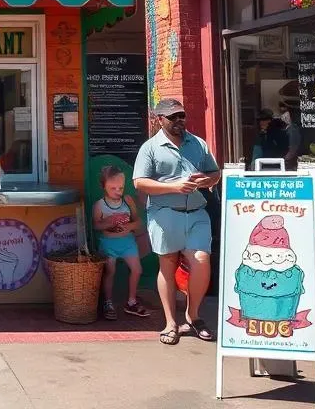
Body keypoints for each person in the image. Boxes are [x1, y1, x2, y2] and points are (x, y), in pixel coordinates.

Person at [133, 96, 220, 346]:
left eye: (182, 115)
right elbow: (140, 182)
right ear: (160, 120)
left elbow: (215, 173)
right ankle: (171, 323)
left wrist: (207, 180)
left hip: (196, 213)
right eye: (173, 117)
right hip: (164, 214)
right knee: (168, 266)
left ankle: (193, 315)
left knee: (202, 260)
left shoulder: (198, 144)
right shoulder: (150, 147)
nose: (179, 121)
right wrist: (174, 187)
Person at [92, 164, 149, 320]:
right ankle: (108, 302)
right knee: (110, 271)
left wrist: (128, 226)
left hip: (127, 242)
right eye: (113, 188)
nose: (118, 192)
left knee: (137, 270)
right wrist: (110, 222)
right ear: (103, 186)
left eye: (121, 188)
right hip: (109, 244)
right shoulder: (100, 205)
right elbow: (96, 225)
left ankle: (131, 301)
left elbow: (138, 223)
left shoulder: (127, 202)